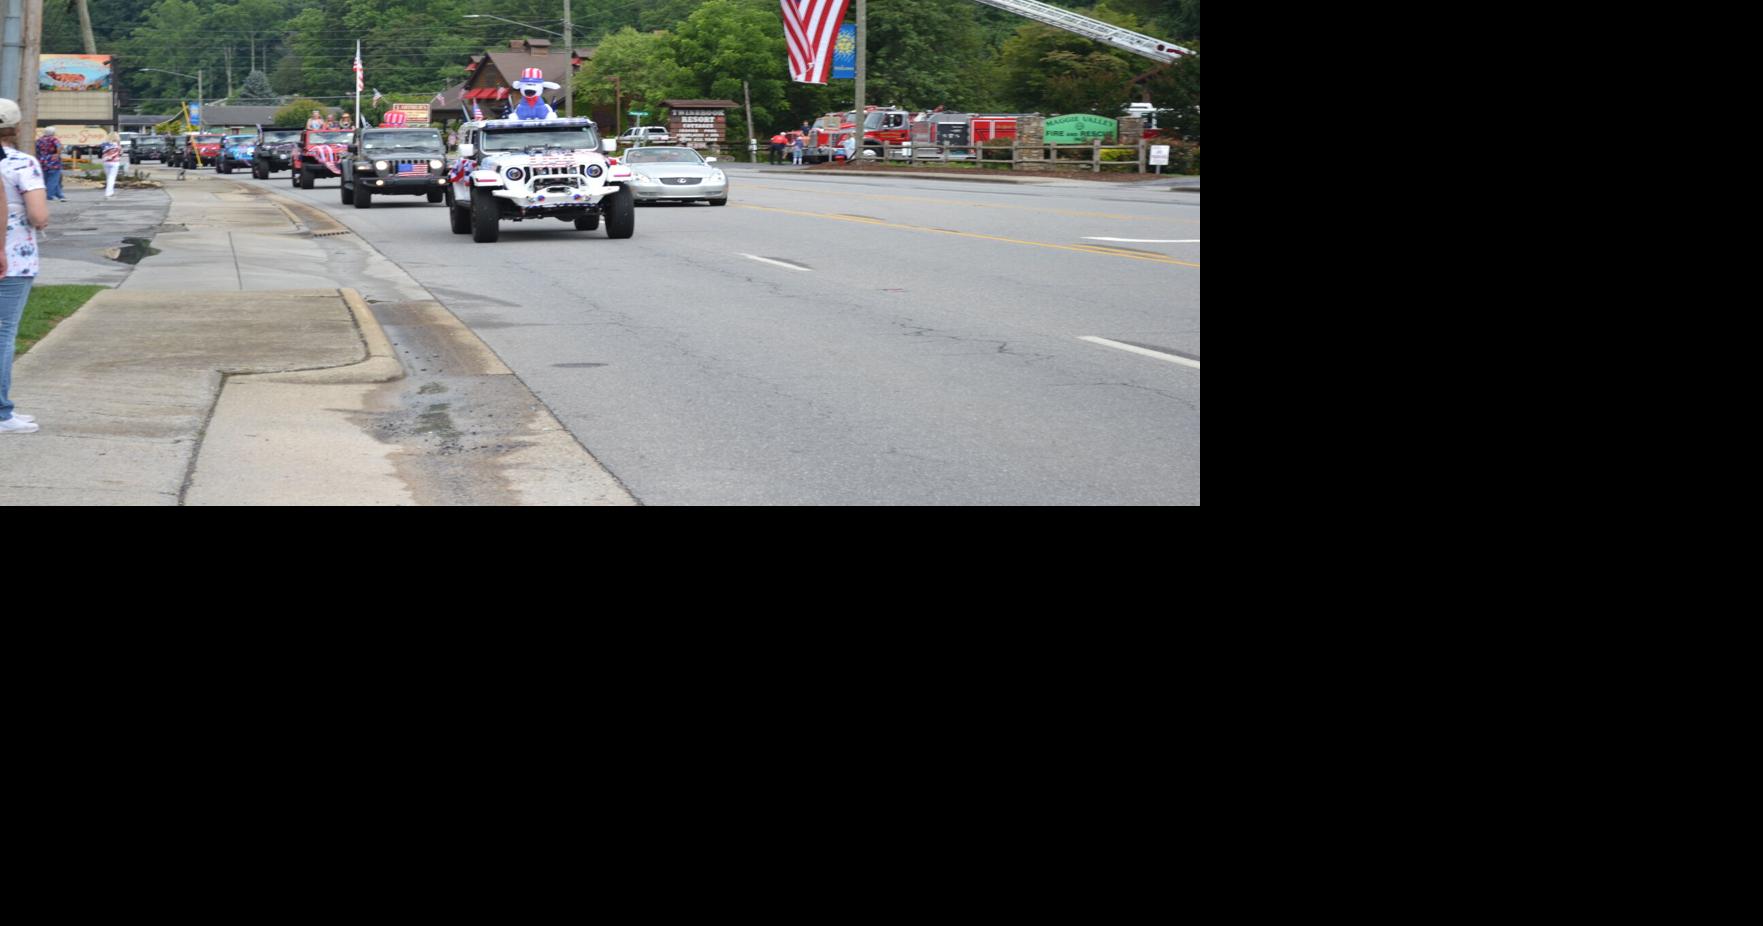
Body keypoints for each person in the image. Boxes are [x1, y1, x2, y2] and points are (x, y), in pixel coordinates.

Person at [1, 98, 51, 434]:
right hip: (14, 258)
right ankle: (2, 413)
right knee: (3, 334)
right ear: (17, 128)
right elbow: (38, 216)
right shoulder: (22, 164)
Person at [35, 126, 64, 201]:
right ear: (53, 133)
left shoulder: (39, 140)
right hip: (53, 161)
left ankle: (59, 195)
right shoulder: (53, 139)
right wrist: (57, 154)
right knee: (53, 179)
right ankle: (49, 195)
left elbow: (37, 150)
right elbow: (59, 147)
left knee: (47, 178)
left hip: (42, 161)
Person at [100, 131, 123, 199]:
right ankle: (108, 193)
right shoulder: (117, 145)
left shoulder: (104, 144)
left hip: (106, 162)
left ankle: (111, 192)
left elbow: (101, 149)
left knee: (108, 177)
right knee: (112, 178)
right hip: (114, 162)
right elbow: (121, 153)